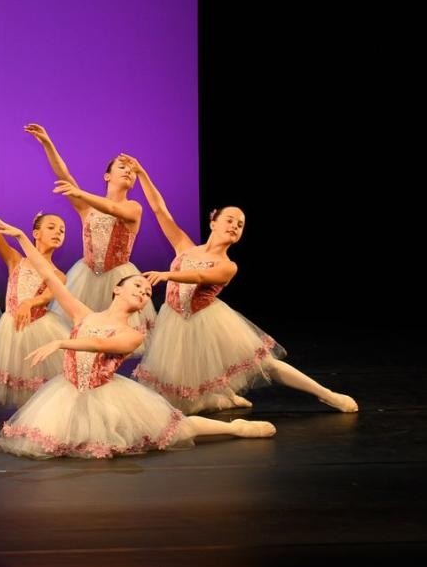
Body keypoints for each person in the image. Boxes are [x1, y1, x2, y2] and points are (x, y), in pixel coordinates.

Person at [0, 220, 276, 459]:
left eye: (147, 292)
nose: (143, 291)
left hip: (108, 397)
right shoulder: (82, 314)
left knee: (180, 429)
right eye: (137, 286)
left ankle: (237, 428)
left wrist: (63, 343)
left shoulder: (133, 334)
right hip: (69, 393)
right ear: (117, 290)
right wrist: (23, 237)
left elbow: (100, 346)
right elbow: (47, 273)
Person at [129, 158, 358, 414]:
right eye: (230, 220)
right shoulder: (185, 246)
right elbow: (160, 210)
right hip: (174, 322)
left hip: (207, 321)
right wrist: (142, 173)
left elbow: (200, 277)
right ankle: (226, 397)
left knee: (266, 364)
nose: (235, 226)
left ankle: (327, 395)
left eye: (240, 225)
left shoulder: (228, 265)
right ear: (213, 222)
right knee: (181, 403)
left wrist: (168, 274)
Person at [24, 124, 155, 347]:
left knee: (113, 338)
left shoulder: (134, 207)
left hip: (118, 277)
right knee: (83, 332)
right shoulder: (88, 208)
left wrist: (80, 193)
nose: (128, 171)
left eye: (131, 171)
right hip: (85, 275)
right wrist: (47, 143)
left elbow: (113, 209)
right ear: (107, 175)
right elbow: (63, 173)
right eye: (122, 167)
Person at [0, 179, 71, 407]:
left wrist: (31, 302)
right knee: (22, 383)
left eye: (62, 230)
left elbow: (46, 296)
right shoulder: (16, 260)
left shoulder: (59, 274)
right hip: (13, 328)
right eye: (51, 227)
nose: (58, 232)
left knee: (44, 382)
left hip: (40, 328)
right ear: (36, 233)